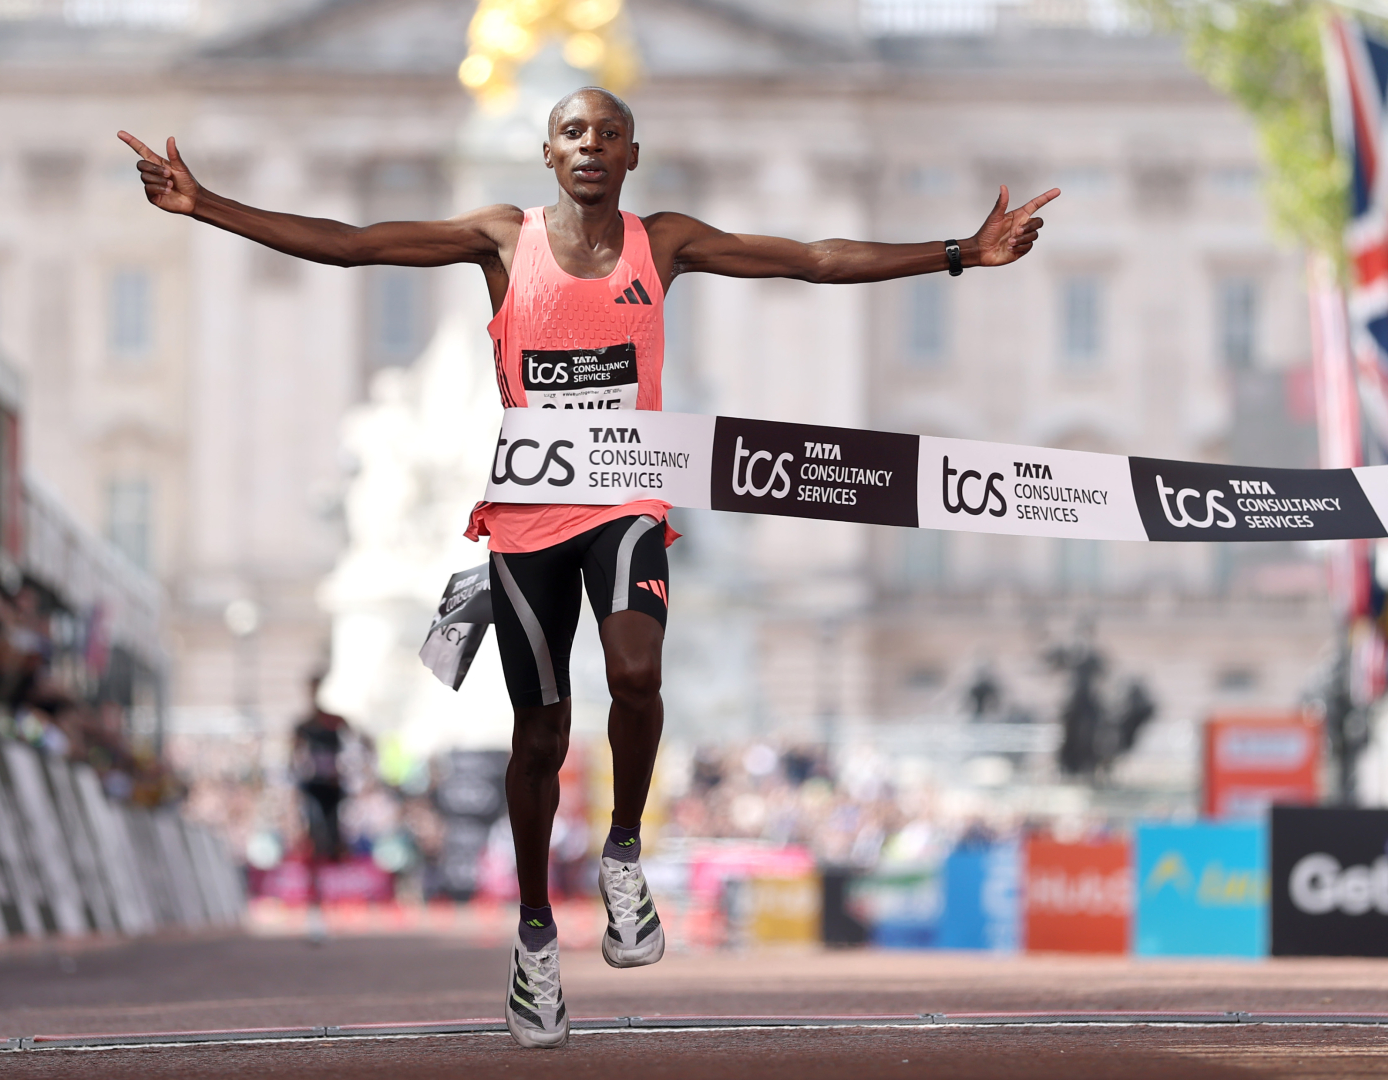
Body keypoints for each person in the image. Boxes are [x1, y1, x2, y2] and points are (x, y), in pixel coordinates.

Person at [120, 87, 1055, 1048]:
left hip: (627, 499)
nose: (591, 147)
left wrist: (960, 253)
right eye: (575, 133)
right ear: (547, 152)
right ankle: (534, 937)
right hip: (528, 519)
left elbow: (809, 260)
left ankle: (621, 854)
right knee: (540, 736)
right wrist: (207, 205)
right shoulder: (499, 240)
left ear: (633, 155)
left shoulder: (668, 242)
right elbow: (353, 242)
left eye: (609, 134)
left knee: (638, 673)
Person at [290, 674, 356, 943]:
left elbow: (359, 745)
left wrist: (351, 771)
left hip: (333, 790)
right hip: (313, 789)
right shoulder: (303, 726)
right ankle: (317, 909)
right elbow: (293, 757)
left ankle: (330, 907)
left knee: (334, 845)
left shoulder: (337, 722)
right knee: (316, 845)